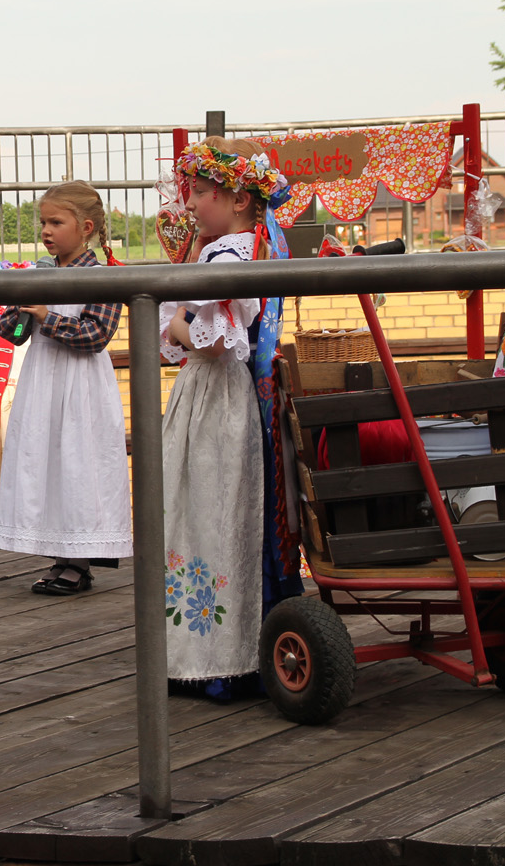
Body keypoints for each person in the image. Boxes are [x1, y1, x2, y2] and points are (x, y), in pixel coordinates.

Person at [159, 137, 298, 699]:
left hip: (216, 396)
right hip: (213, 395)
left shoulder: (229, 257)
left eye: (200, 193)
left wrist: (177, 325)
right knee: (206, 513)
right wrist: (181, 325)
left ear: (239, 199)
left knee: (208, 515)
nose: (190, 204)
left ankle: (218, 660)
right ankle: (213, 653)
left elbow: (211, 340)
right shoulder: (233, 249)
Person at [0, 181, 130, 594]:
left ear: (85, 227)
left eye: (56, 222)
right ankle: (60, 554)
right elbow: (13, 333)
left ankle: (81, 561)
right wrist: (19, 310)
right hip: (43, 383)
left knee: (78, 463)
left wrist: (46, 316)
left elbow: (95, 335)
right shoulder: (41, 273)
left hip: (81, 387)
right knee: (49, 461)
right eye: (43, 222)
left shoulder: (101, 278)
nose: (46, 231)